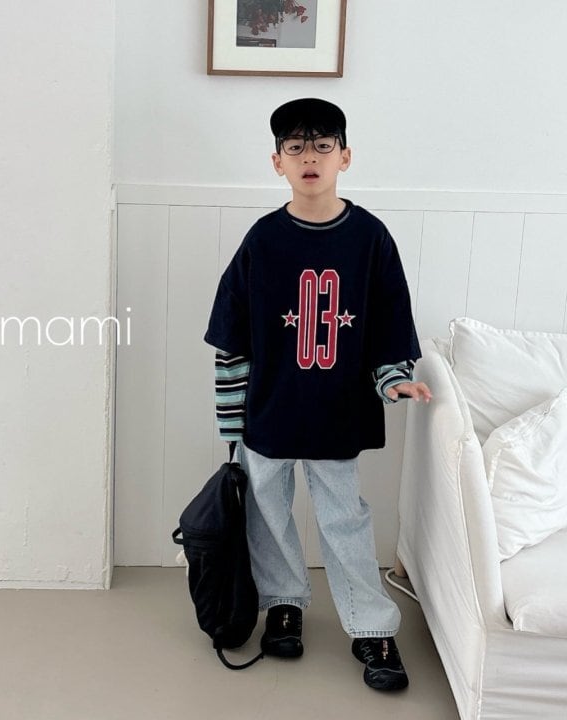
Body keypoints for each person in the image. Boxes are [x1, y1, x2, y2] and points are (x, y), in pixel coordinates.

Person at [204, 98, 432, 691]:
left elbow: (388, 325)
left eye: (323, 146)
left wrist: (393, 379)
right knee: (267, 513)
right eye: (296, 147)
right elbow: (232, 338)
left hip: (337, 411)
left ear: (344, 157)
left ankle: (371, 627)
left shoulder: (370, 238)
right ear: (277, 161)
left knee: (344, 519)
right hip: (269, 411)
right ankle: (284, 604)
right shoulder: (263, 240)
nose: (310, 157)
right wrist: (232, 426)